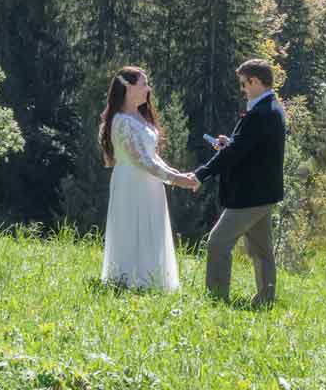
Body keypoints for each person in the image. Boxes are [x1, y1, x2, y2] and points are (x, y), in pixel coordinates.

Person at [193, 57, 287, 306]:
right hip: (265, 193)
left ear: (255, 81)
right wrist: (231, 143)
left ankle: (216, 298)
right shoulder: (272, 108)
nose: (242, 89)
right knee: (261, 251)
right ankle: (265, 299)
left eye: (244, 84)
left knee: (218, 243)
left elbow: (236, 154)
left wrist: (201, 174)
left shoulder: (260, 113)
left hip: (249, 195)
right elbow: (250, 147)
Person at [99, 65, 198, 291]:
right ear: (127, 88)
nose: (148, 89)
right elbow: (141, 160)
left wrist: (177, 175)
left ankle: (150, 280)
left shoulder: (140, 117)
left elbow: (153, 157)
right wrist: (176, 179)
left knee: (151, 228)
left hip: (150, 183)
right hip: (131, 181)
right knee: (133, 227)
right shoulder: (122, 121)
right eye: (143, 84)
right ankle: (128, 281)